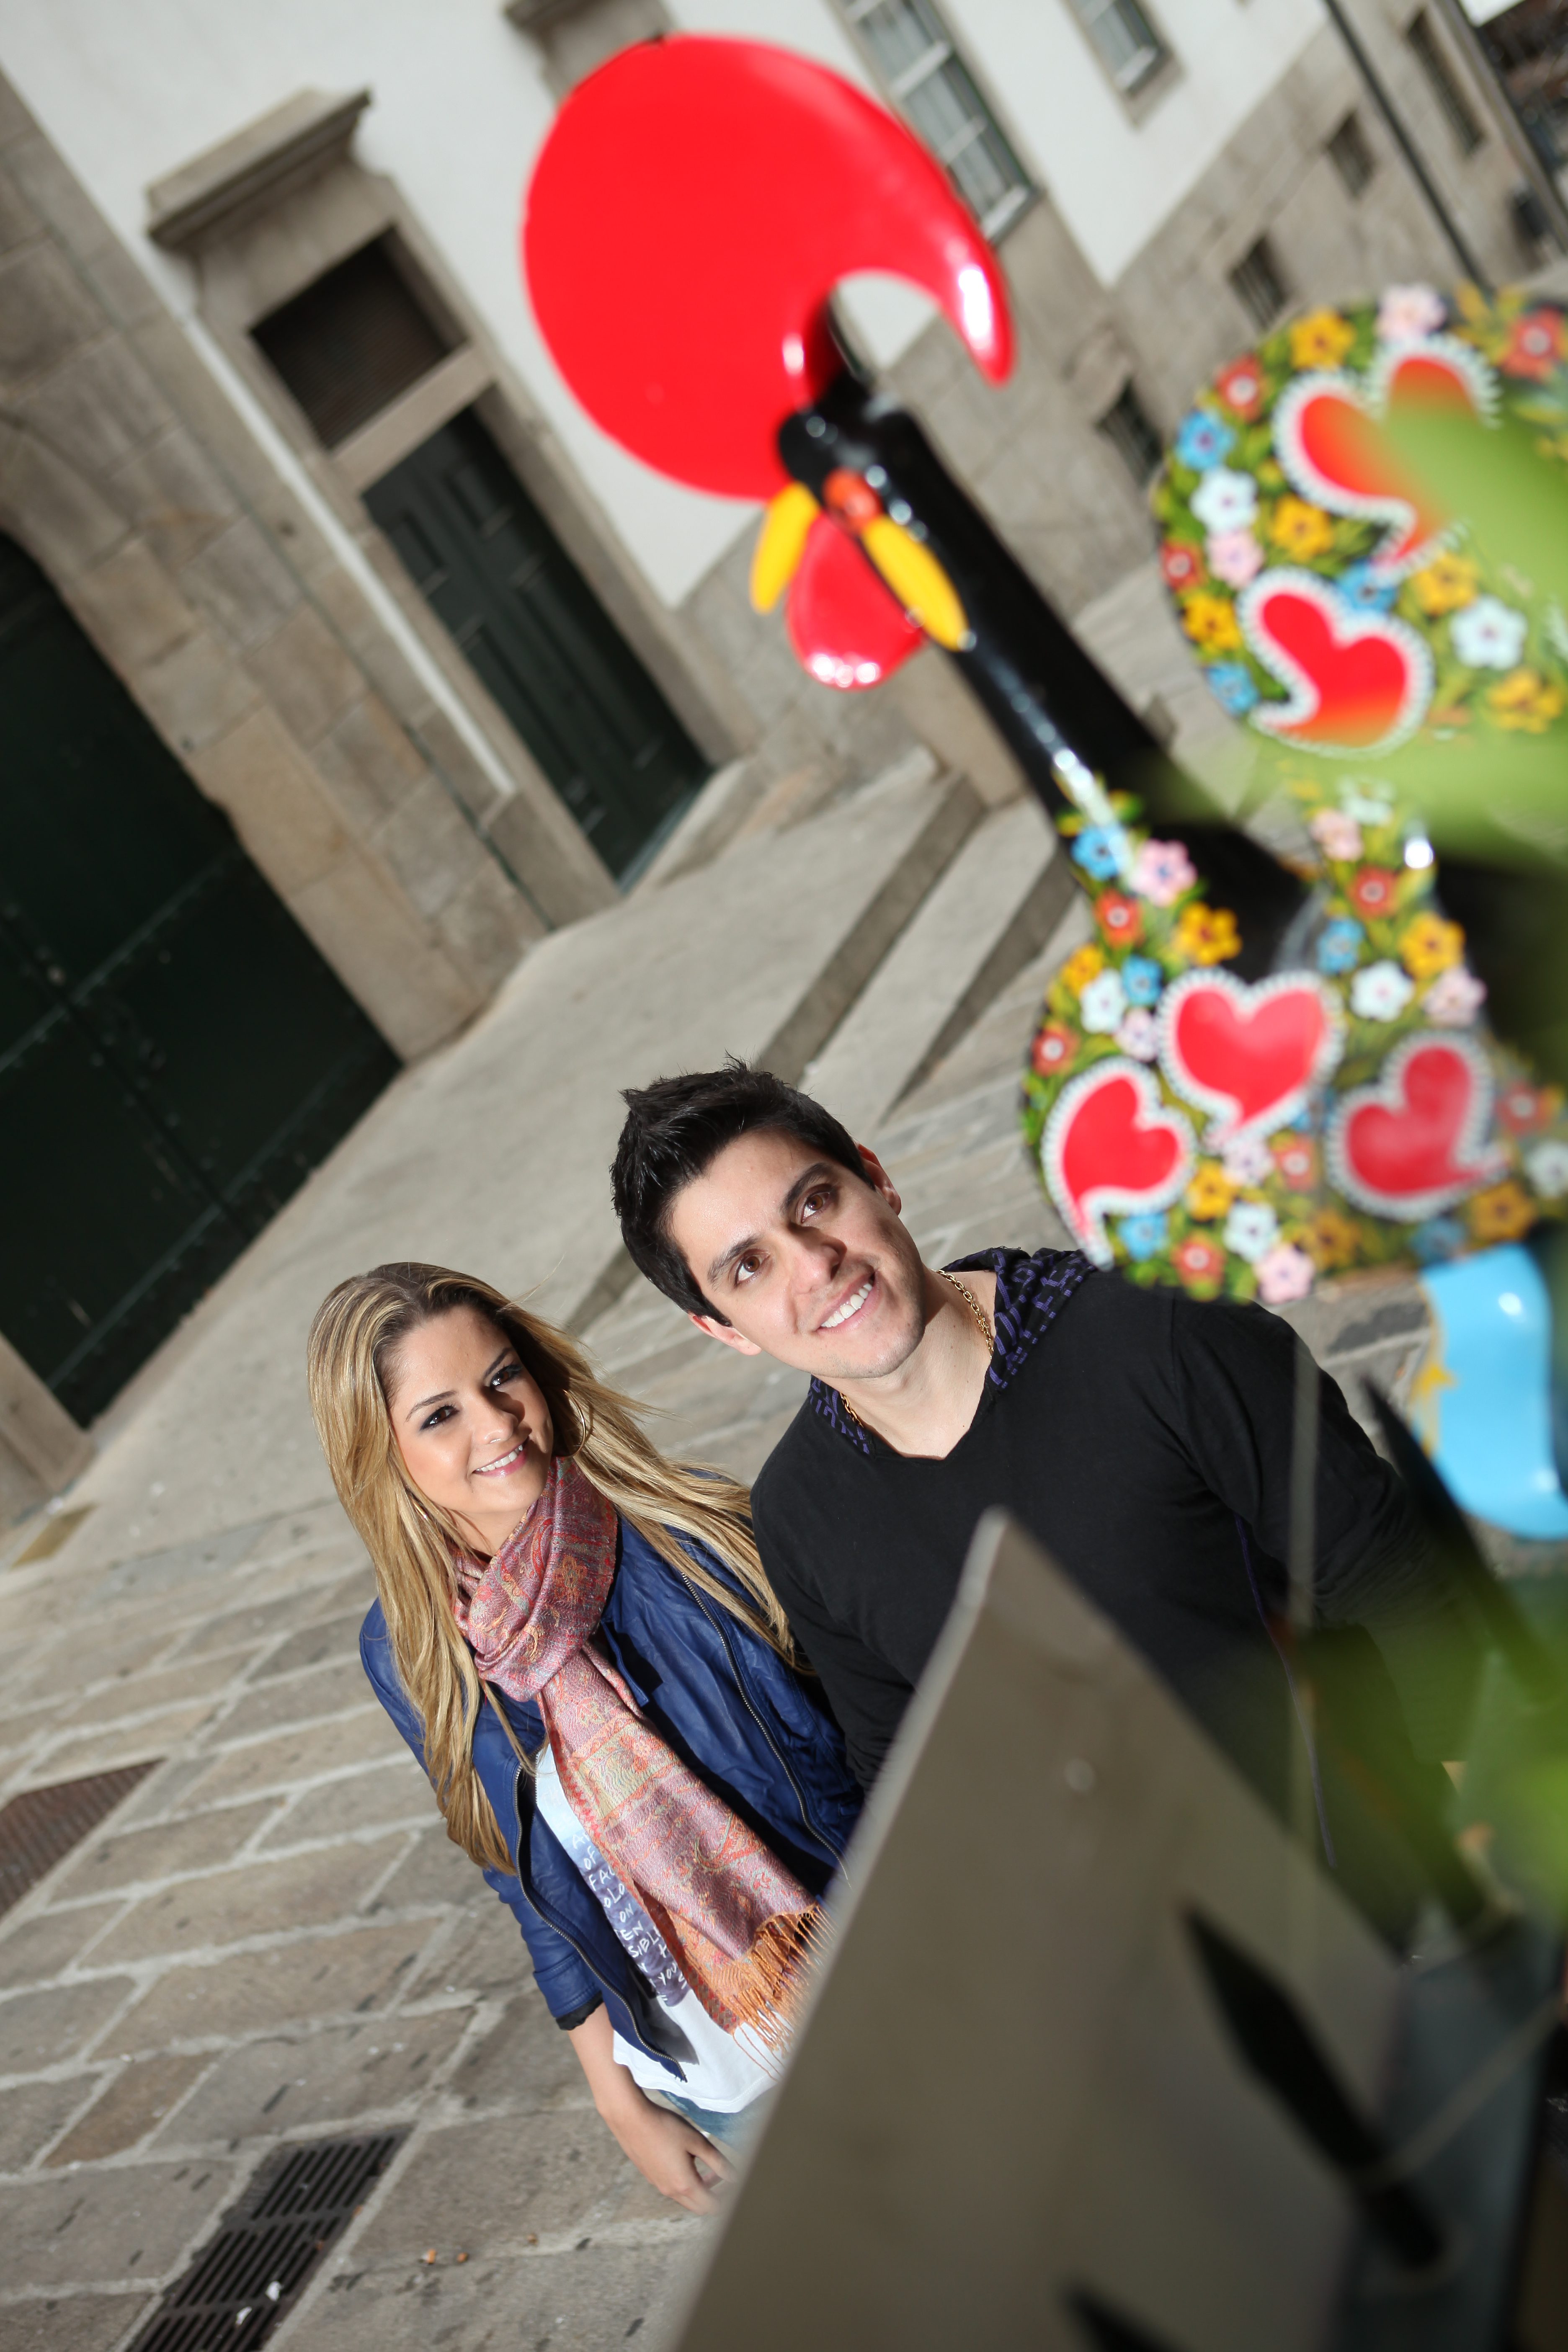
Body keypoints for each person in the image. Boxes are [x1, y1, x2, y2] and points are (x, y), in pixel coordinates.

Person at [610, 1063, 1479, 1927]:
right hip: (1165, 1983)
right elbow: (923, 1795)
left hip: (1392, 1893)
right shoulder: (800, 1516)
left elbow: (1398, 1581)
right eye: (750, 1268)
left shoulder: (1159, 1334)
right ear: (722, 1329)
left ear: (877, 1178)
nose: (815, 1266)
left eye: (815, 1203)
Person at [307, 1261, 860, 2215]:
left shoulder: (693, 1531)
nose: (497, 1425)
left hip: (868, 1966)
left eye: (501, 1378)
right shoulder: (411, 1648)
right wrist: (618, 2099)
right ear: (381, 1451)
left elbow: (859, 1750)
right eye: (439, 1415)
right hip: (719, 2075)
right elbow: (524, 1877)